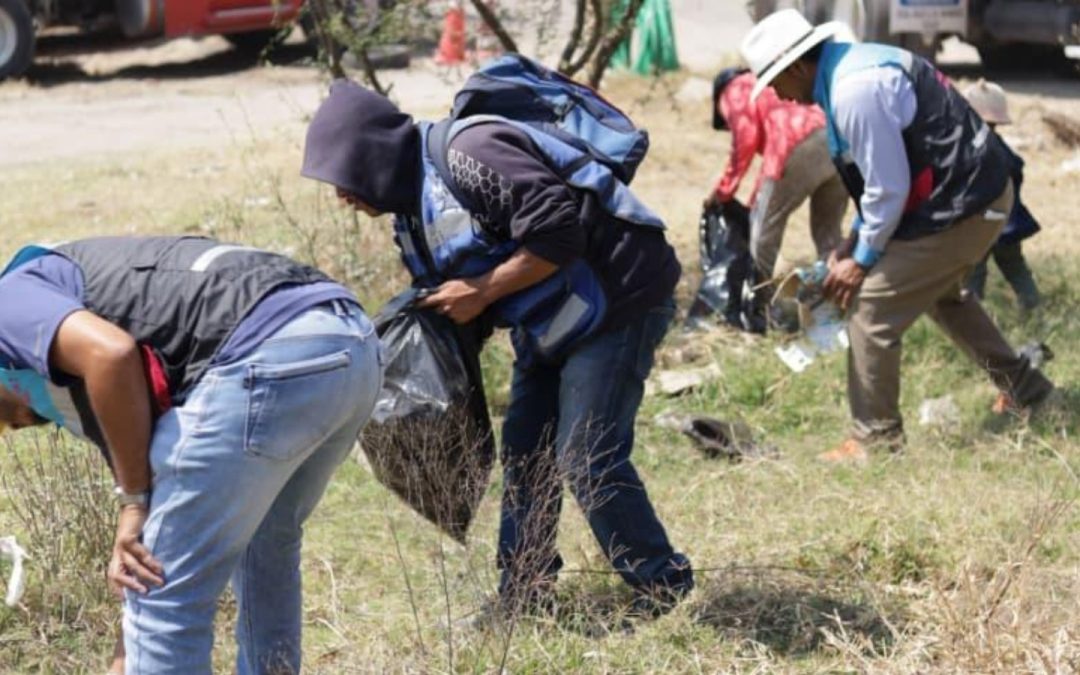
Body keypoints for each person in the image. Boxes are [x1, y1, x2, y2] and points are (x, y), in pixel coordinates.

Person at [302, 81, 693, 617]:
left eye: (344, 177)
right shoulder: (411, 218)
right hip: (551, 320)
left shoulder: (470, 152)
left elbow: (558, 232)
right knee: (527, 454)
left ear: (372, 154)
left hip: (620, 296)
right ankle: (523, 595)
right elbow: (465, 297)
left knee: (587, 456)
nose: (342, 196)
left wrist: (483, 291)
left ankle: (663, 588)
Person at [0, 236, 383, 674]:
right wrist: (128, 651)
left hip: (262, 354)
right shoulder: (70, 298)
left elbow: (111, 354)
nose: (11, 430)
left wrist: (133, 502)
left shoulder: (6, 301)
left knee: (164, 600)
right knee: (263, 549)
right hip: (349, 344)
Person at [740, 10, 1055, 462]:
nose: (776, 95)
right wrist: (853, 242)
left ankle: (876, 440)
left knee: (871, 306)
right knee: (943, 295)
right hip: (957, 200)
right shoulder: (850, 70)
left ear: (795, 67)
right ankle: (1028, 389)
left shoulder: (854, 90)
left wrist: (860, 261)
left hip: (967, 205)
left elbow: (889, 187)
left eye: (773, 82)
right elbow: (880, 180)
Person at [706, 67, 847, 297]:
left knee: (762, 235)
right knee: (828, 234)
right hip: (836, 138)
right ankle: (835, 303)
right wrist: (753, 201)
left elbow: (746, 138)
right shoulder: (764, 82)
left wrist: (723, 192)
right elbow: (766, 175)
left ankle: (760, 303)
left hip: (797, 143)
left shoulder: (734, 90)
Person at [962, 79, 1042, 312]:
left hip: (983, 223)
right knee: (1016, 268)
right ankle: (1033, 307)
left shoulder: (972, 149)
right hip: (1009, 221)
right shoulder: (1001, 147)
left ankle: (974, 318)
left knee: (973, 273)